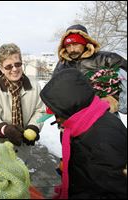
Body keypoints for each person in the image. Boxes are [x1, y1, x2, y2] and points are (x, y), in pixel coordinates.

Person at [40, 68, 127, 199]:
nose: (56, 119)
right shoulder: (86, 122)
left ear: (73, 106)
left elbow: (110, 191)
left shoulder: (103, 141)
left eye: (58, 113)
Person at [0, 43, 45, 162]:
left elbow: (40, 111)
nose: (15, 69)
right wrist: (5, 129)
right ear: (1, 68)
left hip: (24, 148)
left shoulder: (35, 86)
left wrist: (34, 127)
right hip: (0, 146)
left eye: (18, 64)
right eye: (8, 66)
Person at [53, 24, 127, 115]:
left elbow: (125, 80)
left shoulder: (107, 58)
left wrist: (114, 98)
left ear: (85, 43)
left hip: (104, 115)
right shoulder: (62, 65)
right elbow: (54, 89)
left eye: (76, 44)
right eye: (68, 45)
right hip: (74, 116)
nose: (72, 49)